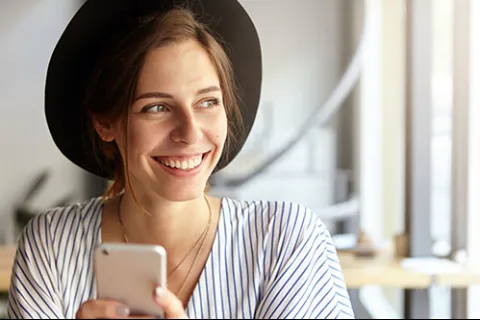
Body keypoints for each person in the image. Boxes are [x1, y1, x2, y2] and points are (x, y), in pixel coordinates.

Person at [6, 0, 355, 319]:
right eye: (156, 107)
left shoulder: (285, 240)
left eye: (207, 102)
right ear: (106, 123)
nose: (189, 133)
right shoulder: (51, 246)